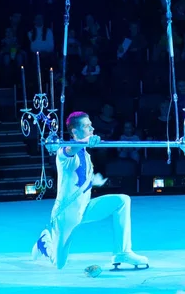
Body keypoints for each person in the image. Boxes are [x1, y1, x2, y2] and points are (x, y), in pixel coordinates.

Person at [31, 111, 149, 274]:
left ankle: (122, 253)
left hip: (85, 208)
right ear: (75, 131)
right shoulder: (63, 153)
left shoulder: (85, 154)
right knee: (59, 263)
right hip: (66, 215)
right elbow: (71, 149)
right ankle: (44, 242)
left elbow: (78, 178)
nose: (92, 128)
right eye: (87, 126)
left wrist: (94, 180)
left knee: (122, 200)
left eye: (91, 125)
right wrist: (85, 140)